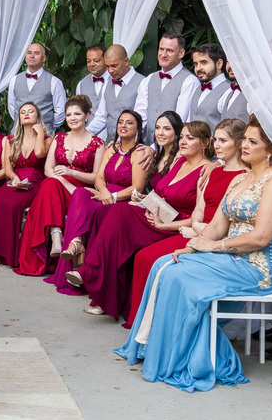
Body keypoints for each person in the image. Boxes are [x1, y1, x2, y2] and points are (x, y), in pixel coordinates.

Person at [115, 115, 272, 392]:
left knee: (180, 278)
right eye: (244, 139)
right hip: (227, 256)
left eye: (252, 142)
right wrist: (190, 247)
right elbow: (218, 225)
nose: (244, 145)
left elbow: (261, 237)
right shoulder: (241, 178)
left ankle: (185, 357)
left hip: (257, 267)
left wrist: (213, 247)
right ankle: (152, 347)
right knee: (165, 262)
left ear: (271, 150)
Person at [71, 112, 206, 319]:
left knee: (116, 214)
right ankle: (99, 289)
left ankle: (90, 271)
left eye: (167, 129)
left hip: (172, 222)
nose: (161, 132)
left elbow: (194, 208)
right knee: (112, 215)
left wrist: (157, 215)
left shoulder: (187, 161)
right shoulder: (155, 154)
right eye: (158, 128)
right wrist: (144, 199)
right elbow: (157, 192)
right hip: (153, 210)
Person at [124, 119, 248, 327]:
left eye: (223, 140)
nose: (217, 145)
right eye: (216, 140)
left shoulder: (244, 177)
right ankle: (140, 324)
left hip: (214, 236)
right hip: (195, 229)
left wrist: (195, 230)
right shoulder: (212, 171)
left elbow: (225, 219)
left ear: (238, 143)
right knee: (143, 256)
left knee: (154, 259)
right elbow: (198, 209)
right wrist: (193, 227)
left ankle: (158, 326)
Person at [46, 110, 147, 295]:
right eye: (120, 122)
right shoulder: (112, 148)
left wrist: (113, 197)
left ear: (138, 129)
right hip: (105, 193)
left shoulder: (140, 153)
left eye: (129, 123)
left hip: (122, 200)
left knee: (96, 211)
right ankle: (76, 242)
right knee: (80, 194)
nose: (123, 126)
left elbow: (137, 188)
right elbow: (99, 177)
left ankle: (81, 260)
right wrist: (104, 191)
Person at [14, 95, 104, 276]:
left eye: (77, 114)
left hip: (80, 192)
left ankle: (56, 237)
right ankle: (56, 235)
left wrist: (72, 173)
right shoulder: (59, 138)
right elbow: (48, 169)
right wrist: (63, 180)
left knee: (48, 186)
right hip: (56, 186)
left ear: (87, 116)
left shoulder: (97, 143)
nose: (72, 118)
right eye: (69, 114)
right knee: (49, 183)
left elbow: (96, 177)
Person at [0, 102, 48, 267]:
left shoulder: (47, 139)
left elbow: (39, 153)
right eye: (22, 112)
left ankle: (8, 253)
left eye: (31, 111)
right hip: (15, 181)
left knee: (12, 205)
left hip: (36, 183)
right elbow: (8, 168)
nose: (26, 114)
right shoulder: (10, 140)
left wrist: (39, 133)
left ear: (37, 116)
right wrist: (14, 177)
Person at [134, 32, 200, 143]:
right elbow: (140, 115)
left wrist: (155, 148)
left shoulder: (190, 81)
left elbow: (180, 121)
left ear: (181, 53)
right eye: (161, 49)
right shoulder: (149, 79)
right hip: (146, 145)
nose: (163, 54)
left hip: (173, 148)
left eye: (169, 51)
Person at [87, 44, 145, 143]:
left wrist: (121, 141)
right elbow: (101, 117)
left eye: (114, 66)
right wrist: (83, 134)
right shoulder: (107, 83)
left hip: (134, 145)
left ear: (126, 61)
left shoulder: (143, 82)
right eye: (107, 66)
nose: (110, 70)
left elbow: (142, 118)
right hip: (110, 145)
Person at [6, 42, 66, 133]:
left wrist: (47, 126)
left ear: (44, 58)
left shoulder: (54, 82)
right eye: (29, 53)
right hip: (18, 135)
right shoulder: (14, 80)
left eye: (36, 53)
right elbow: (12, 108)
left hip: (45, 135)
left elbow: (61, 112)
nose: (32, 56)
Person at [187, 43, 230, 130]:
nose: (198, 68)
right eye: (196, 64)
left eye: (204, 62)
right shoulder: (197, 89)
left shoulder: (229, 90)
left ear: (219, 64)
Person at [76, 43, 108, 133]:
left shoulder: (116, 80)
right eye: (89, 61)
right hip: (89, 135)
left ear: (106, 60)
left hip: (113, 136)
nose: (92, 64)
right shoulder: (81, 84)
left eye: (96, 60)